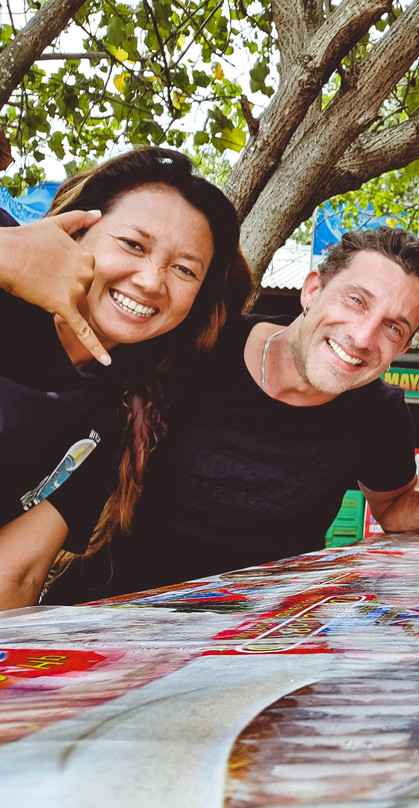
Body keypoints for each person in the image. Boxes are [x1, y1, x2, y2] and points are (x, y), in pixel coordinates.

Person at [45, 226, 419, 603]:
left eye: (393, 327)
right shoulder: (200, 344)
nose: (362, 336)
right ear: (312, 290)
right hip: (105, 615)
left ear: (405, 344)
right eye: (356, 300)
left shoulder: (378, 413)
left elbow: (392, 509)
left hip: (252, 642)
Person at [0, 147, 254, 609]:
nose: (152, 281)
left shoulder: (112, 417)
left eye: (184, 269)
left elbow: (17, 573)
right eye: (133, 245)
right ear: (77, 231)